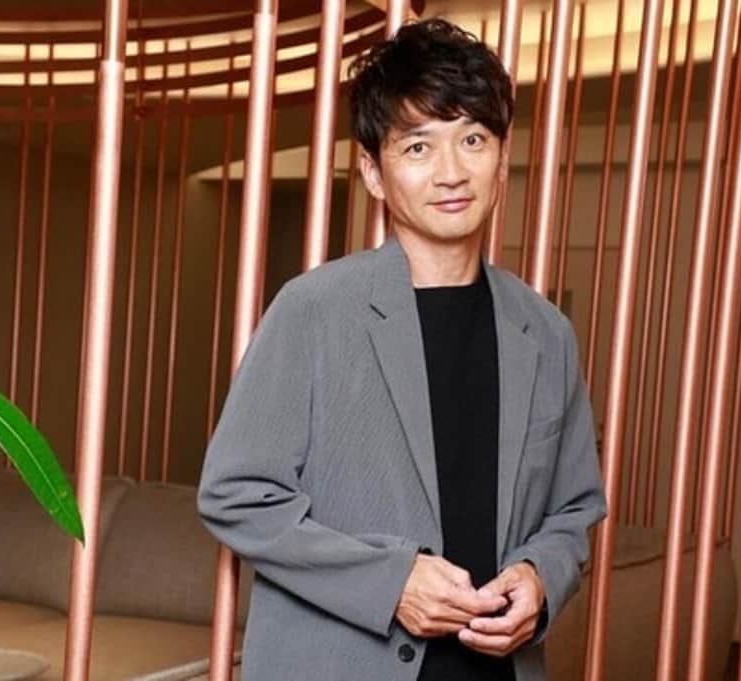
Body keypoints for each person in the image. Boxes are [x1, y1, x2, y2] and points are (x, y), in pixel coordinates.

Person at [197, 18, 607, 681]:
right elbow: (236, 494)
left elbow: (573, 509)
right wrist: (391, 582)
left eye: (472, 139)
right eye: (418, 146)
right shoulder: (313, 310)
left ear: (500, 158)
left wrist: (540, 577)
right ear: (373, 172)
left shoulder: (546, 332)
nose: (451, 172)